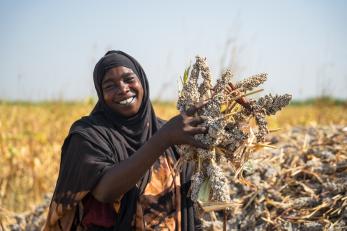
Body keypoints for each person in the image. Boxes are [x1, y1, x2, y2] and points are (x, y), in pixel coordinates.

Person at [43, 50, 209, 231]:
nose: (122, 89)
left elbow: (189, 199)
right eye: (109, 86)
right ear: (101, 93)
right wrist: (163, 139)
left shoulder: (170, 131)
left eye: (129, 79)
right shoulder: (88, 135)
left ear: (142, 82)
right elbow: (105, 191)